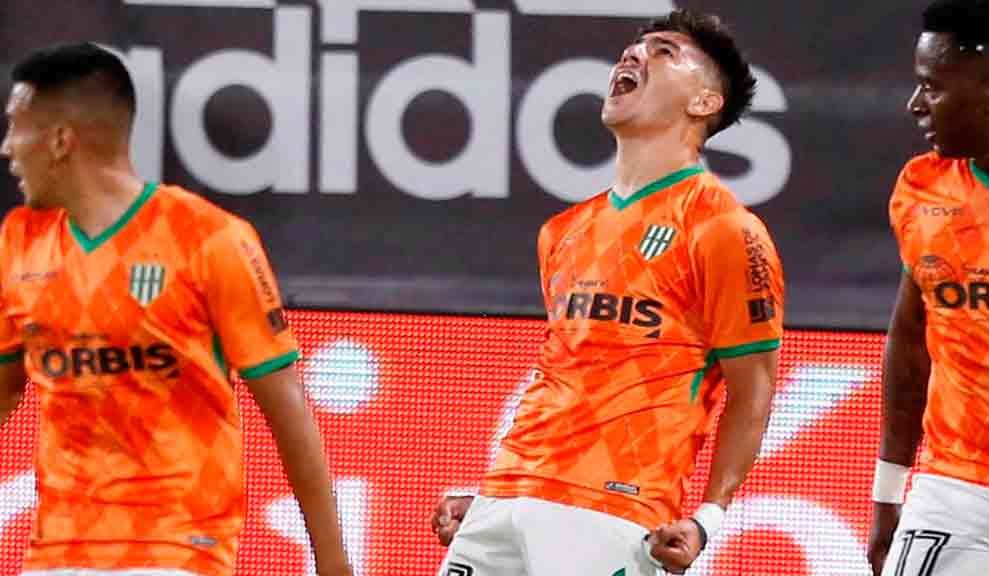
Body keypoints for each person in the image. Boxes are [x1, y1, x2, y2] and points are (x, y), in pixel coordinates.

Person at [431, 8, 783, 576]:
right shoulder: (563, 231)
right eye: (633, 49)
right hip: (505, 498)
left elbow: (754, 389)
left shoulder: (724, 228)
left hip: (614, 512)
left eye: (665, 52)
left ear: (704, 102)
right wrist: (500, 494)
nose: (634, 55)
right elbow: (568, 371)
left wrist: (707, 518)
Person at [0, 42, 351, 576]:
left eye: (16, 128)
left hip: (177, 545)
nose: (7, 148)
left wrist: (334, 563)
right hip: (57, 551)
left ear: (60, 141)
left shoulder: (209, 237)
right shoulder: (19, 242)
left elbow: (288, 410)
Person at [868, 1, 989, 574]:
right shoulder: (922, 186)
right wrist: (888, 492)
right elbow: (911, 339)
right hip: (952, 487)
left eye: (932, 86)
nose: (915, 103)